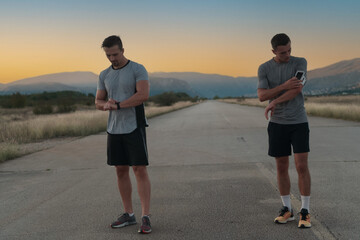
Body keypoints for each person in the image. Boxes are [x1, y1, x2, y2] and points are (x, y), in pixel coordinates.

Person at [95, 35, 152, 234]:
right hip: (113, 128)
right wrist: (106, 106)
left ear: (123, 50)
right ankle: (129, 214)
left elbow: (142, 95)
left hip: (134, 126)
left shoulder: (138, 69)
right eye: (108, 55)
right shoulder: (104, 74)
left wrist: (118, 105)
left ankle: (145, 216)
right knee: (120, 170)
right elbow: (98, 101)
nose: (112, 58)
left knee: (139, 169)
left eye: (115, 54)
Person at [257, 33, 311, 228]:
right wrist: (283, 86)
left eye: (289, 50)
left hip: (298, 122)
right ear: (274, 51)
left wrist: (276, 101)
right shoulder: (264, 68)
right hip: (278, 124)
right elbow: (262, 95)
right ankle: (287, 209)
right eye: (282, 52)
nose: (287, 54)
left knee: (301, 166)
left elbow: (296, 89)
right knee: (281, 167)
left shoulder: (300, 62)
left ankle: (305, 211)